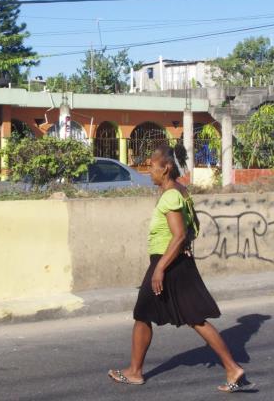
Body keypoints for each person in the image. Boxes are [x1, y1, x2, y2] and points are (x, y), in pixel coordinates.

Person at [108, 144, 253, 393]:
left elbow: (179, 234)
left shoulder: (171, 196)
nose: (148, 172)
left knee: (144, 314)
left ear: (166, 168)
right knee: (192, 318)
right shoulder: (180, 192)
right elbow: (192, 228)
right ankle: (232, 368)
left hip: (168, 263)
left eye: (152, 167)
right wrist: (181, 248)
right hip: (176, 262)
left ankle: (135, 372)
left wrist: (160, 268)